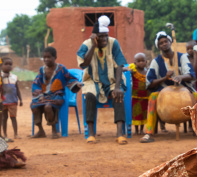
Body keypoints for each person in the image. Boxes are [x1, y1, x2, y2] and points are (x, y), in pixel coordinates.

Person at [140, 31, 197, 143]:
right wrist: (164, 78)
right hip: (163, 92)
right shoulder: (156, 61)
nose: (164, 44)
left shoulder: (182, 57)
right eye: (161, 43)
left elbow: (191, 74)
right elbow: (149, 82)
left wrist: (181, 77)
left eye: (166, 41)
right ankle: (148, 133)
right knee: (152, 97)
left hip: (184, 90)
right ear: (158, 46)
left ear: (170, 42)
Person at [77, 15, 128, 145]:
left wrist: (117, 87)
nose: (104, 38)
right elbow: (84, 64)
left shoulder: (114, 43)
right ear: (95, 36)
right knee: (89, 95)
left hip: (112, 80)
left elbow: (120, 65)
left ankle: (119, 134)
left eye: (106, 35)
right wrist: (93, 46)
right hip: (92, 80)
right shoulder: (86, 45)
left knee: (118, 95)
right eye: (101, 36)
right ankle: (91, 134)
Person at [31, 47, 82, 139]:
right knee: (34, 105)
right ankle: (41, 130)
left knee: (48, 106)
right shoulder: (42, 70)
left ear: (55, 57)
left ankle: (54, 129)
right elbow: (36, 83)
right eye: (44, 57)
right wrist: (40, 95)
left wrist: (76, 83)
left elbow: (70, 77)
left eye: (49, 57)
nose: (46, 59)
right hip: (44, 96)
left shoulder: (61, 69)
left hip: (57, 95)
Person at [0, 57, 23, 141]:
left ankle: (16, 134)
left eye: (10, 64)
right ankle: (5, 134)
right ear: (1, 65)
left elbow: (17, 89)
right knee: (4, 118)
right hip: (3, 102)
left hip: (13, 101)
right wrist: (2, 78)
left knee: (13, 117)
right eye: (6, 64)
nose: (8, 66)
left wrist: (20, 99)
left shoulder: (14, 77)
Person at [129, 53, 149, 135]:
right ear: (135, 62)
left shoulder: (147, 71)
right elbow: (122, 69)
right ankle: (136, 130)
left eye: (142, 61)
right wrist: (129, 71)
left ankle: (141, 129)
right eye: (138, 61)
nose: (141, 63)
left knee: (144, 113)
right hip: (135, 96)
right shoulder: (133, 71)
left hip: (145, 96)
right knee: (136, 113)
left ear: (146, 62)